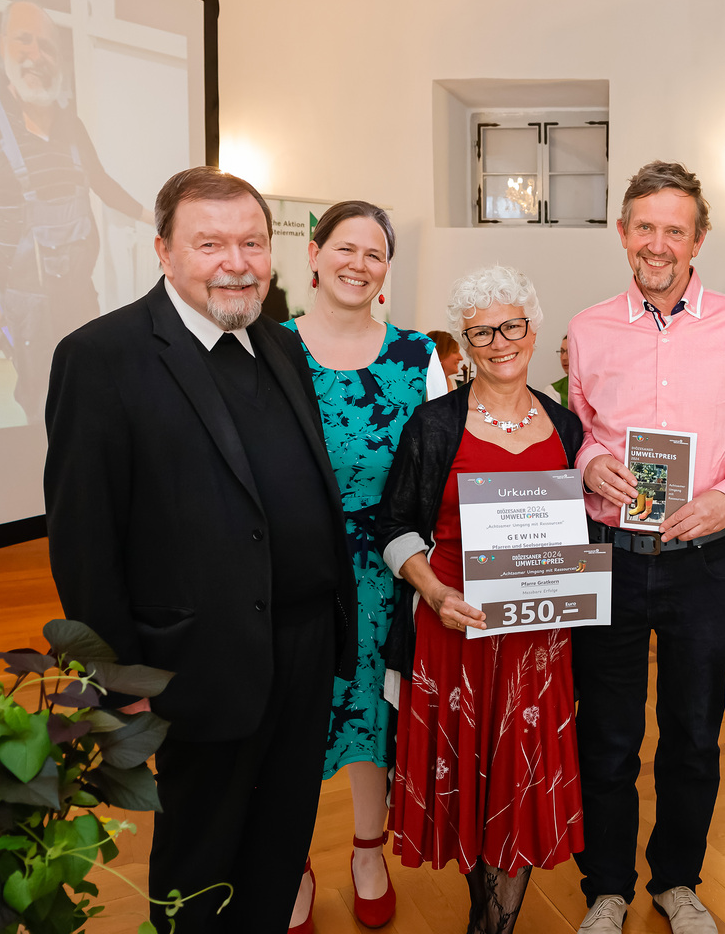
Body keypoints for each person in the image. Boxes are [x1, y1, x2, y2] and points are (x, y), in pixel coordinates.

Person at [43, 166, 355, 932]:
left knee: (281, 841)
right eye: (210, 244)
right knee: (200, 857)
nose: (236, 263)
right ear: (164, 251)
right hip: (196, 661)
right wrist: (119, 680)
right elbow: (84, 540)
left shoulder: (279, 344)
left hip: (304, 648)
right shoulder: (102, 357)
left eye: (252, 243)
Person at [567, 160, 725, 934]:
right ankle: (607, 887)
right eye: (645, 228)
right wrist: (590, 460)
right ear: (624, 233)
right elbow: (577, 425)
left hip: (705, 563)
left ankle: (677, 881)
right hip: (608, 556)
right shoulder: (588, 327)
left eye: (675, 230)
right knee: (607, 735)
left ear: (698, 239)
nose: (658, 244)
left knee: (693, 734)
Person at [376, 266, 584, 934]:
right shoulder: (434, 425)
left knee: (519, 781)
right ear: (464, 344)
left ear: (533, 329)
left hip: (537, 641)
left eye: (511, 326)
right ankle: (483, 915)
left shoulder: (566, 426)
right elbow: (394, 526)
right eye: (481, 332)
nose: (500, 343)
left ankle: (493, 926)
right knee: (470, 781)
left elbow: (580, 529)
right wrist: (433, 590)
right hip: (455, 631)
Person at [281, 201, 447, 932]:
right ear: (314, 254)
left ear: (386, 269)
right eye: (344, 248)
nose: (358, 264)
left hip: (388, 566)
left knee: (374, 716)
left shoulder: (417, 354)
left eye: (374, 253)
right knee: (292, 717)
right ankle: (290, 861)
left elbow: (442, 466)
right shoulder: (270, 348)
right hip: (293, 568)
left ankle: (368, 850)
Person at [0, 1, 151, 420]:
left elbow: (102, 183)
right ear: (3, 45)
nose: (36, 54)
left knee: (89, 391)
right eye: (24, 40)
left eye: (46, 46)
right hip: (26, 308)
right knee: (41, 405)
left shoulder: (70, 126)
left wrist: (160, 219)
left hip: (79, 296)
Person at [542, 333, 569, 407]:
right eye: (562, 351)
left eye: (569, 351)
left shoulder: (596, 387)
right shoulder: (553, 391)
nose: (564, 358)